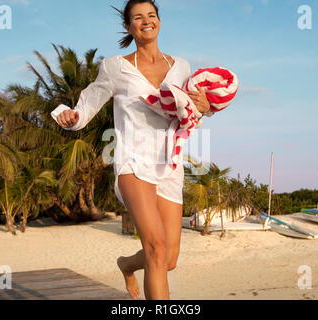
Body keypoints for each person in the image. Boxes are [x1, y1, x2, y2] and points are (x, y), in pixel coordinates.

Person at [52, 0, 211, 300]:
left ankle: (126, 264)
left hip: (169, 165)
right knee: (156, 249)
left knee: (169, 259)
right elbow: (84, 109)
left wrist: (203, 109)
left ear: (159, 22)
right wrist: (69, 116)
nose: (146, 21)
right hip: (131, 162)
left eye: (151, 15)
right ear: (128, 26)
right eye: (138, 17)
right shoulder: (114, 67)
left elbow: (192, 115)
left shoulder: (182, 68)